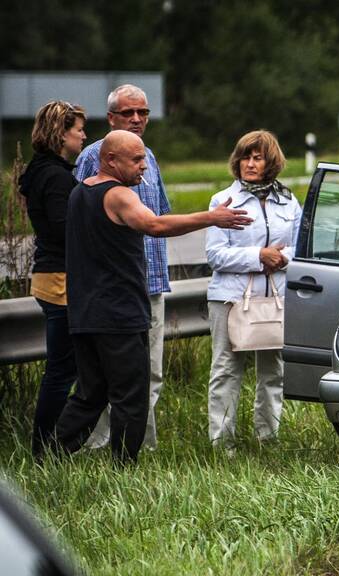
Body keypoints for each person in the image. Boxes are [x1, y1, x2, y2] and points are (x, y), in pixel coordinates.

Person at [52, 130, 252, 463]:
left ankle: (53, 455)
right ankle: (124, 467)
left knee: (91, 393)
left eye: (143, 158)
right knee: (131, 395)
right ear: (111, 159)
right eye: (136, 159)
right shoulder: (117, 195)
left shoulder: (79, 192)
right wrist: (211, 218)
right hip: (118, 313)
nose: (144, 167)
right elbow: (154, 225)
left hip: (86, 312)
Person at [74, 84, 170, 451]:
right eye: (128, 113)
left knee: (151, 371)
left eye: (142, 112)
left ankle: (142, 445)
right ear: (111, 117)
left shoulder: (149, 156)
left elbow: (161, 214)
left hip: (151, 281)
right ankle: (98, 445)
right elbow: (82, 219)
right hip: (112, 288)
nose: (136, 119)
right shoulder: (94, 156)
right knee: (109, 378)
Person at [205, 130, 301, 448]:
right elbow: (215, 255)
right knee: (227, 369)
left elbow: (300, 249)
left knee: (273, 370)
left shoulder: (287, 201)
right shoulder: (224, 201)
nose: (249, 163)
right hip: (230, 298)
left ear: (270, 162)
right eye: (245, 156)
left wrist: (281, 257)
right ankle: (222, 442)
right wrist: (258, 256)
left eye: (257, 157)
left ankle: (268, 437)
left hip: (274, 297)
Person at [18, 101, 87, 457]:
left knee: (65, 368)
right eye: (78, 131)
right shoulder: (57, 176)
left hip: (49, 275)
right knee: (62, 371)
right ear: (62, 133)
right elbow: (65, 230)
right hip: (60, 278)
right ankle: (46, 450)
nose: (84, 137)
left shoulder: (42, 170)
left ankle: (54, 445)